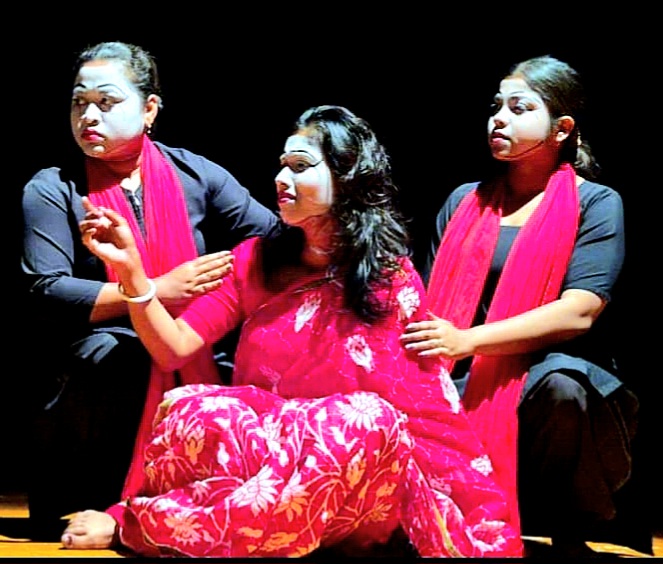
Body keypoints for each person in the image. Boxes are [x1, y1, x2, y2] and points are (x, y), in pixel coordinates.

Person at [59, 105, 524, 557]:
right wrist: (133, 276)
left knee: (367, 420)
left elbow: (421, 406)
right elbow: (174, 348)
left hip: (356, 473)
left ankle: (154, 526)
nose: (282, 178)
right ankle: (264, 530)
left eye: (300, 166)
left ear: (345, 178)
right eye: (282, 165)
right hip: (268, 457)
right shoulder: (255, 261)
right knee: (189, 409)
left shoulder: (388, 278)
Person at [19, 41, 278, 539]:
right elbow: (45, 290)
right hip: (98, 354)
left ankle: (204, 500)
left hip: (189, 342)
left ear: (150, 109)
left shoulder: (195, 174)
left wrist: (224, 294)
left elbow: (273, 240)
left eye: (106, 101)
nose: (88, 116)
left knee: (244, 360)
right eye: (79, 102)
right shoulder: (53, 187)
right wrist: (153, 291)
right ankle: (111, 505)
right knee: (121, 355)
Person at [400, 55, 645, 558]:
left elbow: (579, 310)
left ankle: (567, 533)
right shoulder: (465, 201)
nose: (498, 118)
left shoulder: (597, 203)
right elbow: (425, 301)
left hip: (544, 381)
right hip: (461, 372)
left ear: (562, 129)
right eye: (496, 106)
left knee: (564, 386)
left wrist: (468, 340)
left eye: (519, 108)